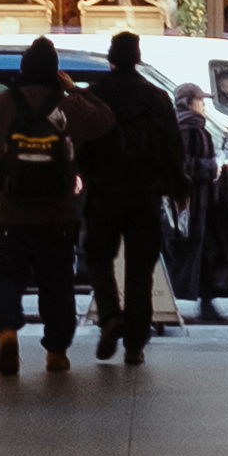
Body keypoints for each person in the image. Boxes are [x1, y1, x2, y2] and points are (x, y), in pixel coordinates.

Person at [0, 35, 85, 374]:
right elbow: (104, 119)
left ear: (23, 68)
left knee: (4, 277)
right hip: (57, 215)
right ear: (55, 71)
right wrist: (72, 90)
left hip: (7, 214)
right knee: (57, 282)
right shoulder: (68, 106)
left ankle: (6, 334)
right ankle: (56, 352)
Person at [72, 28, 184, 369]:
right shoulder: (157, 98)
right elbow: (173, 150)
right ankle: (135, 344)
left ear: (110, 58)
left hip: (104, 193)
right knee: (140, 271)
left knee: (98, 259)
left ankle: (110, 317)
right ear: (137, 59)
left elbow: (79, 142)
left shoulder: (94, 96)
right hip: (145, 196)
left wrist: (85, 174)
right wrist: (178, 189)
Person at [168, 68, 222, 316]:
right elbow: (182, 164)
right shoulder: (187, 127)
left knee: (202, 251)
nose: (203, 105)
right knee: (186, 252)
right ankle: (171, 303)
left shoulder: (186, 124)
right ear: (190, 103)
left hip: (198, 200)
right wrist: (212, 167)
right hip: (191, 201)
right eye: (201, 100)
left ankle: (205, 300)